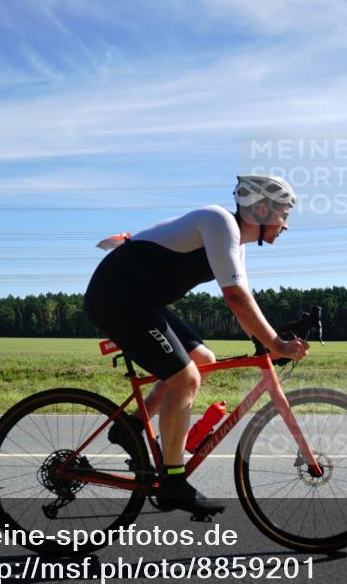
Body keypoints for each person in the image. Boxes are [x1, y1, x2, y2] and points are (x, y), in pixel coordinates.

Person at [83, 175, 309, 517]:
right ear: (262, 210)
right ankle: (173, 482)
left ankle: (130, 428)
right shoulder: (220, 222)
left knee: (202, 359)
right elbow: (234, 297)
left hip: (139, 300)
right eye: (284, 214)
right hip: (116, 296)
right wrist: (275, 343)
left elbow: (243, 301)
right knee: (185, 378)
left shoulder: (235, 241)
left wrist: (267, 344)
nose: (286, 225)